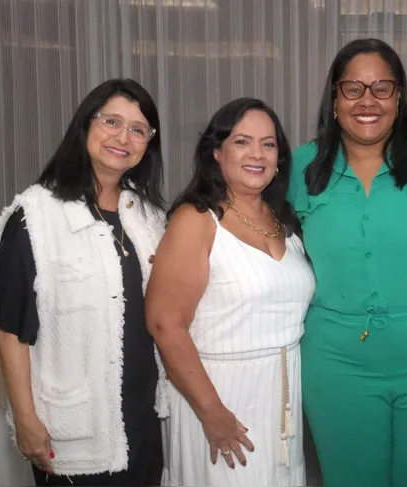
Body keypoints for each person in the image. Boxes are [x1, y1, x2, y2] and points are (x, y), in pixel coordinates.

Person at [289, 38, 407, 487]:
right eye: (353, 88)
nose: (367, 100)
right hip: (336, 364)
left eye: (382, 87)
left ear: (399, 97)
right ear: (334, 98)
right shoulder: (299, 166)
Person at [0, 78, 168, 486]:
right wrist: (26, 418)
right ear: (85, 125)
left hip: (144, 416)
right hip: (75, 426)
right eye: (111, 122)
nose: (124, 137)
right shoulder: (35, 216)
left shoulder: (148, 216)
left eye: (138, 129)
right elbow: (9, 328)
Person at [145, 98, 315, 487]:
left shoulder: (284, 220)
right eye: (242, 142)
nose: (257, 154)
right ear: (217, 152)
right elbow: (165, 324)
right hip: (219, 396)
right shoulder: (196, 220)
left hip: (281, 396)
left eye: (268, 144)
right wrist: (212, 413)